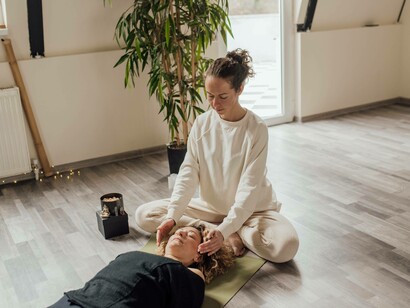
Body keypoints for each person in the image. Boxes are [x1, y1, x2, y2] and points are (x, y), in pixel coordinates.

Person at [135, 49, 299, 263]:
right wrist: (173, 216)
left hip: (253, 211)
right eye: (210, 96)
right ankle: (216, 231)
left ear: (240, 89)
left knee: (286, 247)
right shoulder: (202, 123)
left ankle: (231, 231)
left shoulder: (256, 129)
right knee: (144, 214)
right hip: (210, 209)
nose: (215, 104)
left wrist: (228, 227)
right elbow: (188, 172)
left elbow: (249, 189)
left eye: (223, 97)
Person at [49, 226, 234, 308]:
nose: (181, 233)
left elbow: (198, 278)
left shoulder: (188, 273)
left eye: (191, 236)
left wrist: (214, 237)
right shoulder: (139, 255)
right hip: (74, 299)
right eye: (179, 231)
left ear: (198, 255)